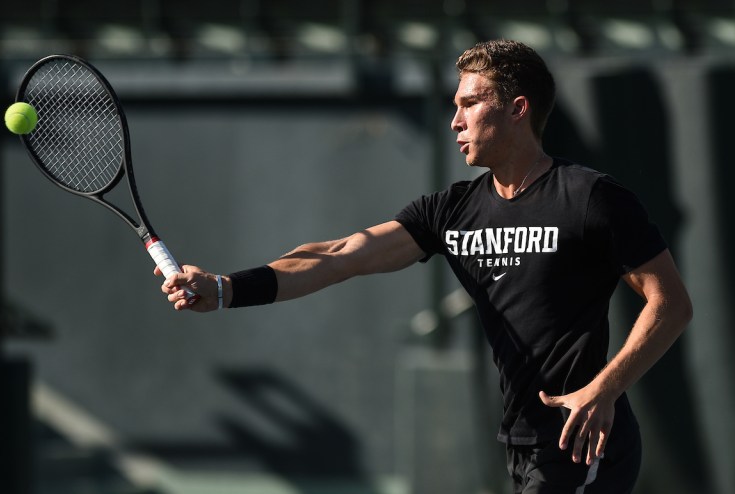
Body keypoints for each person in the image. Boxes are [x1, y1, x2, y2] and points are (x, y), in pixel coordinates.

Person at [156, 40, 692, 493]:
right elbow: (337, 256)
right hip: (521, 440)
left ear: (517, 109)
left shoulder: (591, 197)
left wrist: (604, 389)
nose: (455, 120)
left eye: (471, 103)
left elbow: (670, 302)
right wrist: (227, 289)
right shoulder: (451, 211)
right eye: (454, 105)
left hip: (583, 439)